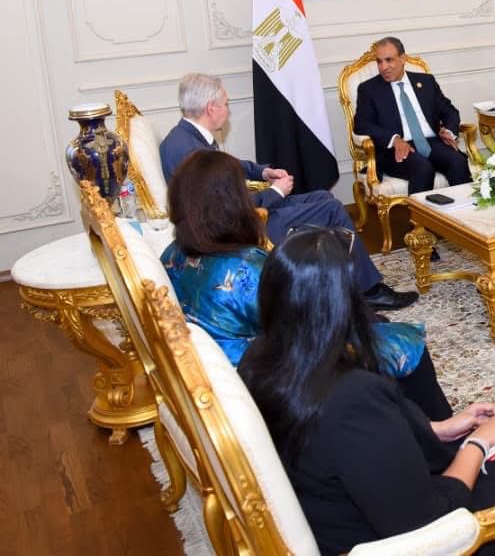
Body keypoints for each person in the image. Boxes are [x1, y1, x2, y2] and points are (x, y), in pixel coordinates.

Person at [238, 228, 495, 556]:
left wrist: (442, 429)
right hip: (409, 537)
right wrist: (476, 444)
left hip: (343, 502)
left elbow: (349, 448)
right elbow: (430, 519)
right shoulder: (351, 397)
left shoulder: (260, 356)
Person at [161, 150, 450, 417]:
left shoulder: (172, 255)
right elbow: (310, 327)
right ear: (232, 202)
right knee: (409, 346)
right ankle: (437, 435)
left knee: (375, 321)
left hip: (230, 368)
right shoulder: (246, 270)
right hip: (278, 377)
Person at [159, 73, 415, 310]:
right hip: (240, 229)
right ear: (211, 108)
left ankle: (338, 283)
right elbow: (229, 209)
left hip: (236, 216)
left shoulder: (186, 137)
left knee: (322, 197)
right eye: (225, 103)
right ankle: (367, 291)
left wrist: (262, 172)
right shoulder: (191, 152)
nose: (228, 109)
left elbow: (228, 168)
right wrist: (275, 192)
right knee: (332, 209)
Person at [353, 36, 472, 195]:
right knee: (423, 168)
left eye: (389, 60)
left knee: (457, 161)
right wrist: (394, 139)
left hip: (432, 143)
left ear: (402, 58)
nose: (384, 67)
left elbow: (449, 111)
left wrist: (449, 131)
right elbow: (362, 124)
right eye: (379, 61)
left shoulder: (426, 81)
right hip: (396, 150)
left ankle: (461, 209)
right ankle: (419, 212)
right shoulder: (368, 89)